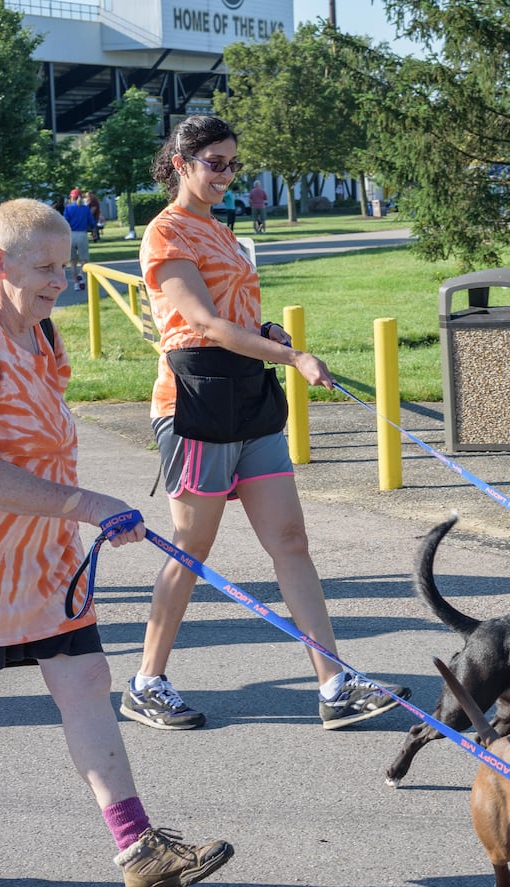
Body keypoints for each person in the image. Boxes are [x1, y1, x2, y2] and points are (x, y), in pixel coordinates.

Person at [0, 197, 232, 887]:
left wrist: (73, 512)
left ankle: (138, 848)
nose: (60, 280)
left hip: (40, 551)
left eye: (65, 266)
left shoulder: (42, 332)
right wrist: (89, 505)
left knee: (86, 680)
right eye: (46, 267)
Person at [130, 113, 410, 731]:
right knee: (192, 548)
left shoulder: (222, 231)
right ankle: (147, 681)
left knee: (290, 540)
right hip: (195, 402)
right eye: (216, 164)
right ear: (181, 164)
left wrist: (267, 334)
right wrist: (292, 355)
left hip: (249, 395)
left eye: (233, 164)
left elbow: (234, 316)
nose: (227, 175)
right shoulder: (166, 234)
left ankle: (334, 682)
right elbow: (201, 324)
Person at [63, 191, 94, 291]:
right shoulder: (85, 209)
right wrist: (93, 230)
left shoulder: (68, 208)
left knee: (72, 262)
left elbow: (64, 221)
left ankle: (76, 283)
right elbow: (91, 221)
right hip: (82, 234)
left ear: (72, 198)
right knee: (84, 259)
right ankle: (81, 274)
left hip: (71, 235)